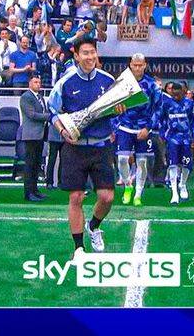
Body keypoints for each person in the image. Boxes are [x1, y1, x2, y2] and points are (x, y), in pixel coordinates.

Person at [47, 37, 122, 257]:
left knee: (107, 197)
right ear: (76, 56)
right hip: (75, 147)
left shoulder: (108, 80)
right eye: (85, 53)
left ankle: (94, 226)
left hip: (101, 146)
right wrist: (62, 131)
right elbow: (53, 110)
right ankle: (79, 247)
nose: (90, 57)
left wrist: (119, 110)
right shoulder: (65, 82)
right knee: (76, 197)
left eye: (93, 53)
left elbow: (117, 108)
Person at [112, 53, 162, 206]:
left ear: (145, 65)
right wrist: (114, 127)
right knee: (122, 159)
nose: (138, 68)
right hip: (125, 126)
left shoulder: (152, 85)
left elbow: (158, 109)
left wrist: (148, 128)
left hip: (143, 128)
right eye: (135, 65)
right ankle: (128, 185)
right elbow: (112, 105)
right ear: (130, 65)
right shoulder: (122, 82)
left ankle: (138, 194)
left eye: (141, 65)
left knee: (141, 162)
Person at [158, 82, 194, 204]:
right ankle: (174, 192)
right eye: (174, 94)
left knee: (186, 164)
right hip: (172, 137)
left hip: (186, 137)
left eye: (178, 94)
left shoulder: (189, 104)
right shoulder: (166, 104)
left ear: (183, 92)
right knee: (173, 164)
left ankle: (183, 184)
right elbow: (162, 120)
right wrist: (162, 134)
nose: (176, 96)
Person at [19, 74, 50, 202]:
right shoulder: (26, 97)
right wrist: (49, 116)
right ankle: (28, 192)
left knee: (37, 163)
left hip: (40, 134)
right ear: (30, 84)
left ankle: (35, 190)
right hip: (31, 135)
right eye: (35, 82)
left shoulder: (40, 97)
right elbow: (31, 115)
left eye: (39, 82)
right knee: (30, 164)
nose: (38, 84)